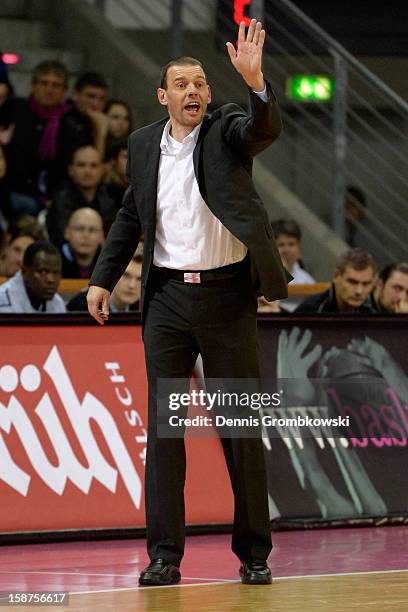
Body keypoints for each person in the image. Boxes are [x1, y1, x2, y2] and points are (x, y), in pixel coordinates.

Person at [87, 19, 289, 587]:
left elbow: (263, 129)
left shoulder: (227, 129)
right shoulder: (143, 143)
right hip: (168, 301)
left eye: (201, 82)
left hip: (227, 299)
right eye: (182, 84)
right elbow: (132, 213)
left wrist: (256, 84)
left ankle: (254, 553)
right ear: (163, 95)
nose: (194, 91)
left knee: (240, 432)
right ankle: (165, 556)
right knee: (165, 434)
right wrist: (103, 278)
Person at [4, 60, 70, 209]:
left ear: (64, 91)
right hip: (12, 193)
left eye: (56, 85)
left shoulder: (69, 121)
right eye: (44, 83)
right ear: (34, 85)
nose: (49, 89)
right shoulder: (14, 109)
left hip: (52, 199)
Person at [46, 145, 117, 246]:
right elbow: (62, 238)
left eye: (94, 165)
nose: (88, 171)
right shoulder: (60, 200)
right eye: (81, 165)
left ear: (102, 170)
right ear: (71, 169)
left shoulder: (109, 198)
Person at [55, 72, 108, 183]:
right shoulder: (67, 123)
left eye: (101, 99)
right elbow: (92, 169)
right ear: (75, 95)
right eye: (90, 96)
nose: (96, 103)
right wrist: (101, 132)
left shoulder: (99, 120)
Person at [296, 248, 377, 314]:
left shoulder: (372, 316)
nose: (359, 291)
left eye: (366, 284)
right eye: (352, 282)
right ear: (336, 276)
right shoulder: (310, 312)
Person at [0, 241, 65, 313]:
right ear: (24, 272)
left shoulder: (58, 303)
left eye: (56, 273)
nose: (51, 280)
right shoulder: (3, 301)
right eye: (43, 272)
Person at [67, 254, 141, 312]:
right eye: (125, 275)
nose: (132, 285)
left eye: (139, 279)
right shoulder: (83, 305)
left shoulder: (143, 309)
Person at [271, 219, 315, 312]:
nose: (286, 250)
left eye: (291, 244)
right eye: (281, 245)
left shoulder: (307, 280)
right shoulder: (261, 276)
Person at [60, 207, 105, 278]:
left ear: (102, 236)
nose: (86, 235)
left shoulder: (111, 266)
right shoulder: (53, 263)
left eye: (92, 230)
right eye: (79, 229)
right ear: (67, 233)